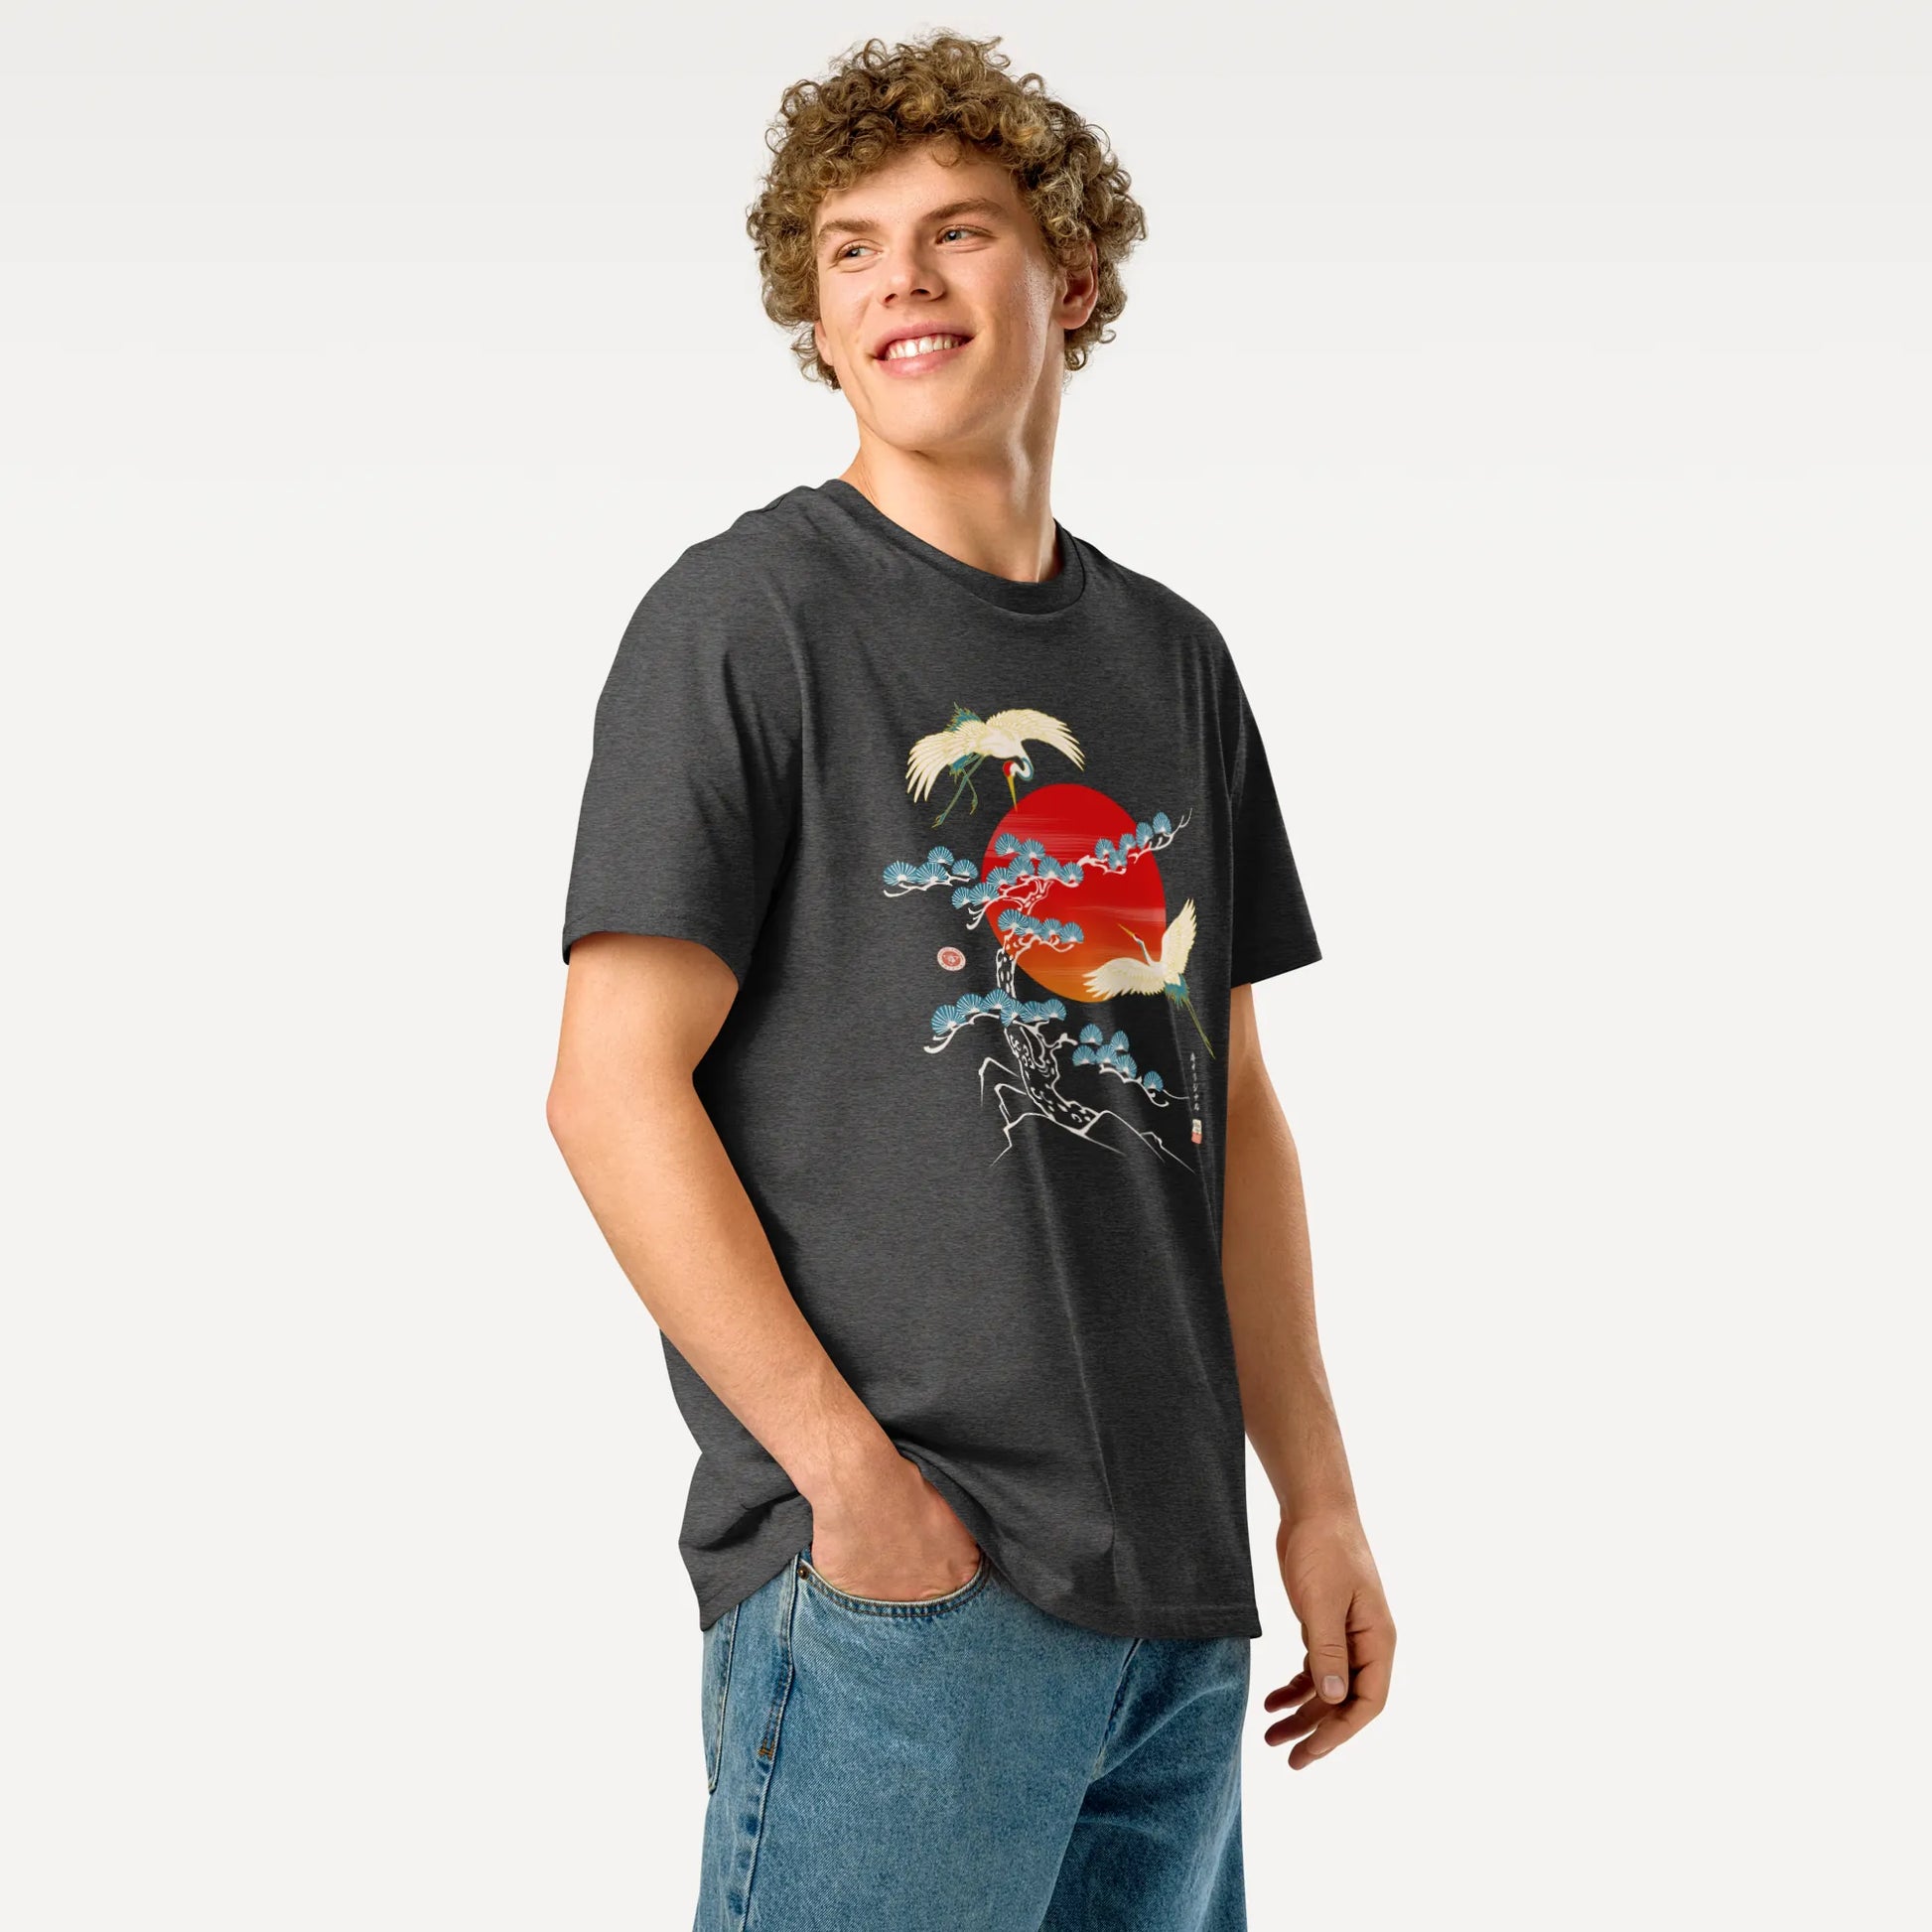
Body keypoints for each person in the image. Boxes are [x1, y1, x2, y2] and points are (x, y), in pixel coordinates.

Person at [547, 31, 1394, 1931]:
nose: (898, 282)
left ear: (1070, 276)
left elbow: (1233, 1110)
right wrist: (849, 1485)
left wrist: (1316, 1493)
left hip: (1174, 1602)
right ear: (814, 312)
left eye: (957, 231)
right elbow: (608, 1085)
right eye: (849, 248)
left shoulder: (1172, 661)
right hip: (906, 1590)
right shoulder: (747, 619)